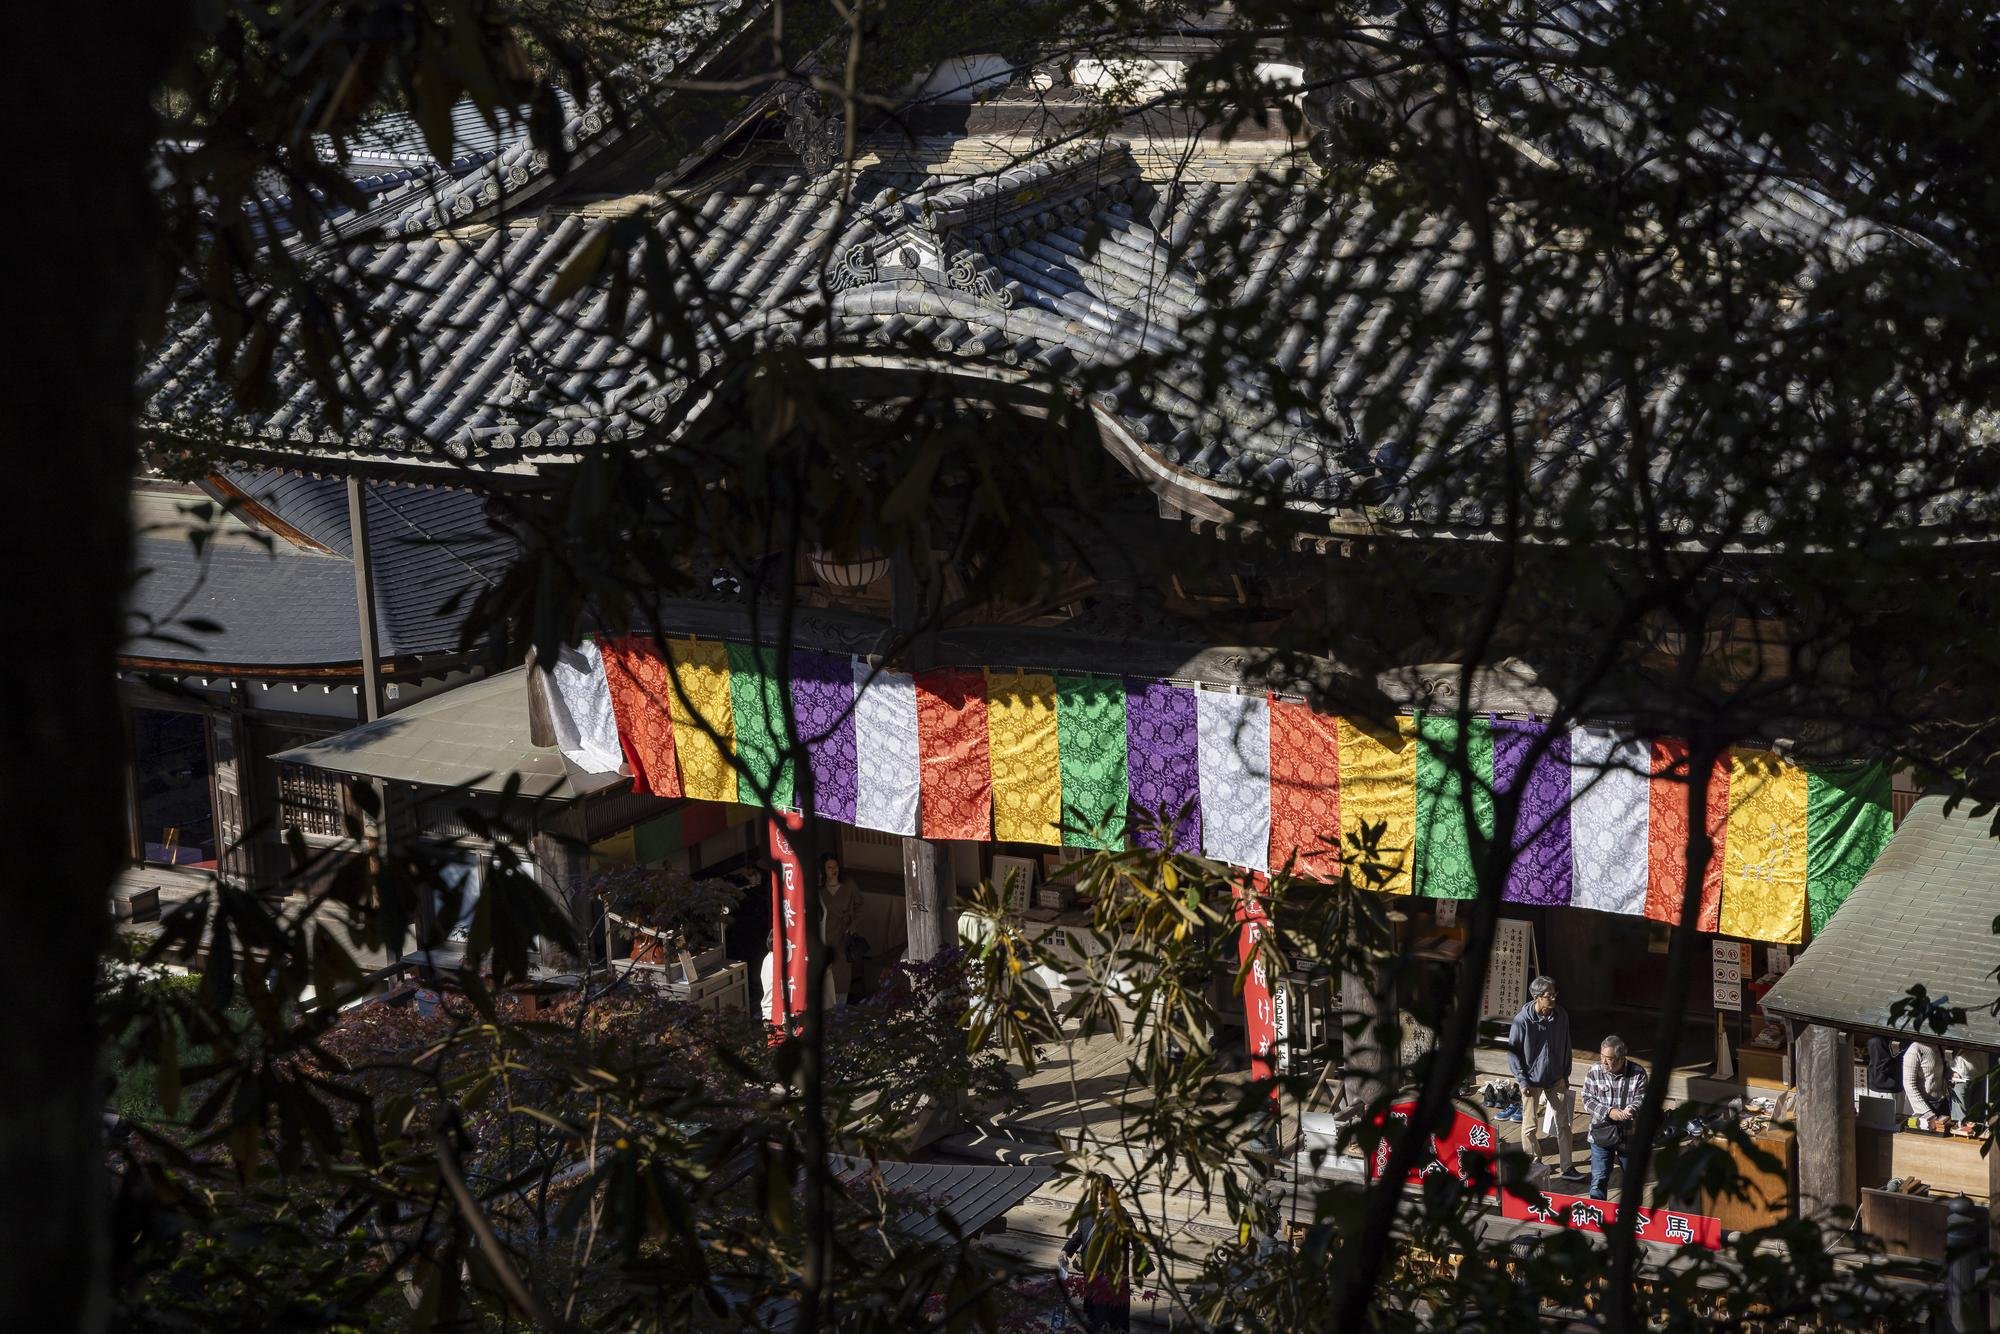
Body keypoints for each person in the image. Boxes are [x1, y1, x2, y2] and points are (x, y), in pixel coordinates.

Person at [1506, 976, 1580, 1181]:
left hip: (1556, 1077)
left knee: (1563, 1123)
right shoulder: (1523, 1020)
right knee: (1529, 1125)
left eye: (1555, 994)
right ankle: (1533, 1161)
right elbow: (1513, 1054)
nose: (1554, 998)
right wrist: (1522, 1081)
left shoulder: (1561, 1015)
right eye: (1549, 996)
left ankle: (1567, 1167)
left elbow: (1567, 1045)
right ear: (1537, 997)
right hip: (1531, 1079)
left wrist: (1566, 1074)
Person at [1581, 1035, 1648, 1201]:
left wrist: (1631, 1110)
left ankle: (1633, 1220)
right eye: (1602, 1057)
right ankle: (1595, 1219)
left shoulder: (1638, 1073)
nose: (1604, 1062)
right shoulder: (1594, 1071)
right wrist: (1609, 1112)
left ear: (1621, 1058)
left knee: (1633, 1181)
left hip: (1629, 1135)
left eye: (1609, 1059)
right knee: (1598, 1179)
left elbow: (1642, 1098)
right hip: (1601, 1133)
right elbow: (1586, 1099)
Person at [819, 855, 862, 1004]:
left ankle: (841, 1008)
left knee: (842, 974)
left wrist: (853, 926)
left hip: (843, 935)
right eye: (829, 867)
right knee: (825, 973)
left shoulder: (848, 885)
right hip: (825, 936)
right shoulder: (820, 889)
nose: (833, 870)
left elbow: (859, 906)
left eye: (835, 866)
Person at [1904, 1039, 1950, 1121]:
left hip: (1942, 1102)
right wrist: (1926, 1111)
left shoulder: (1939, 1045)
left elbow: (1940, 1071)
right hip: (1923, 1105)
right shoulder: (1915, 1049)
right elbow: (1908, 1084)